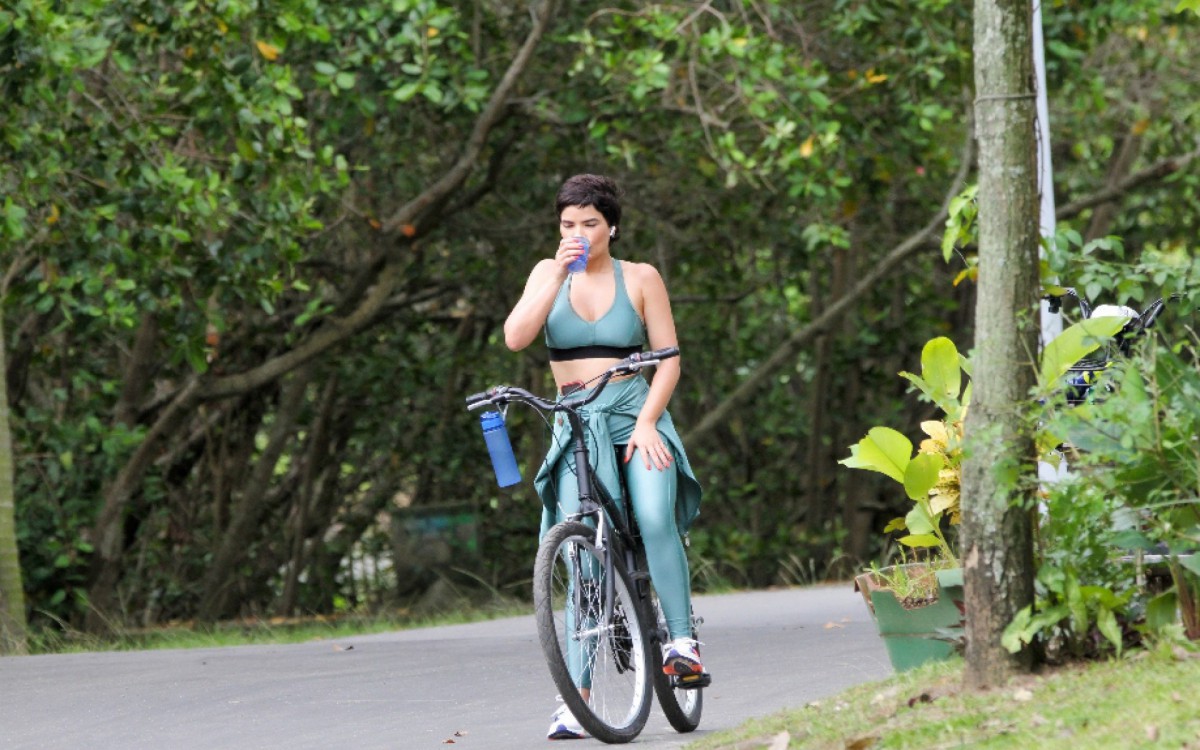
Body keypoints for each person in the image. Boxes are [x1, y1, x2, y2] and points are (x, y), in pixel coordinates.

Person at [503, 174, 706, 740]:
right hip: (576, 423)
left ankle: (682, 642)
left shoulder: (641, 278)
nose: (579, 234)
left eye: (590, 224)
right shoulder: (547, 273)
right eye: (568, 224)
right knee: (582, 559)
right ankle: (580, 698)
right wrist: (558, 277)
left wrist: (647, 423)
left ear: (611, 226)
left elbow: (668, 360)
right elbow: (517, 337)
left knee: (652, 514)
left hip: (633, 416)